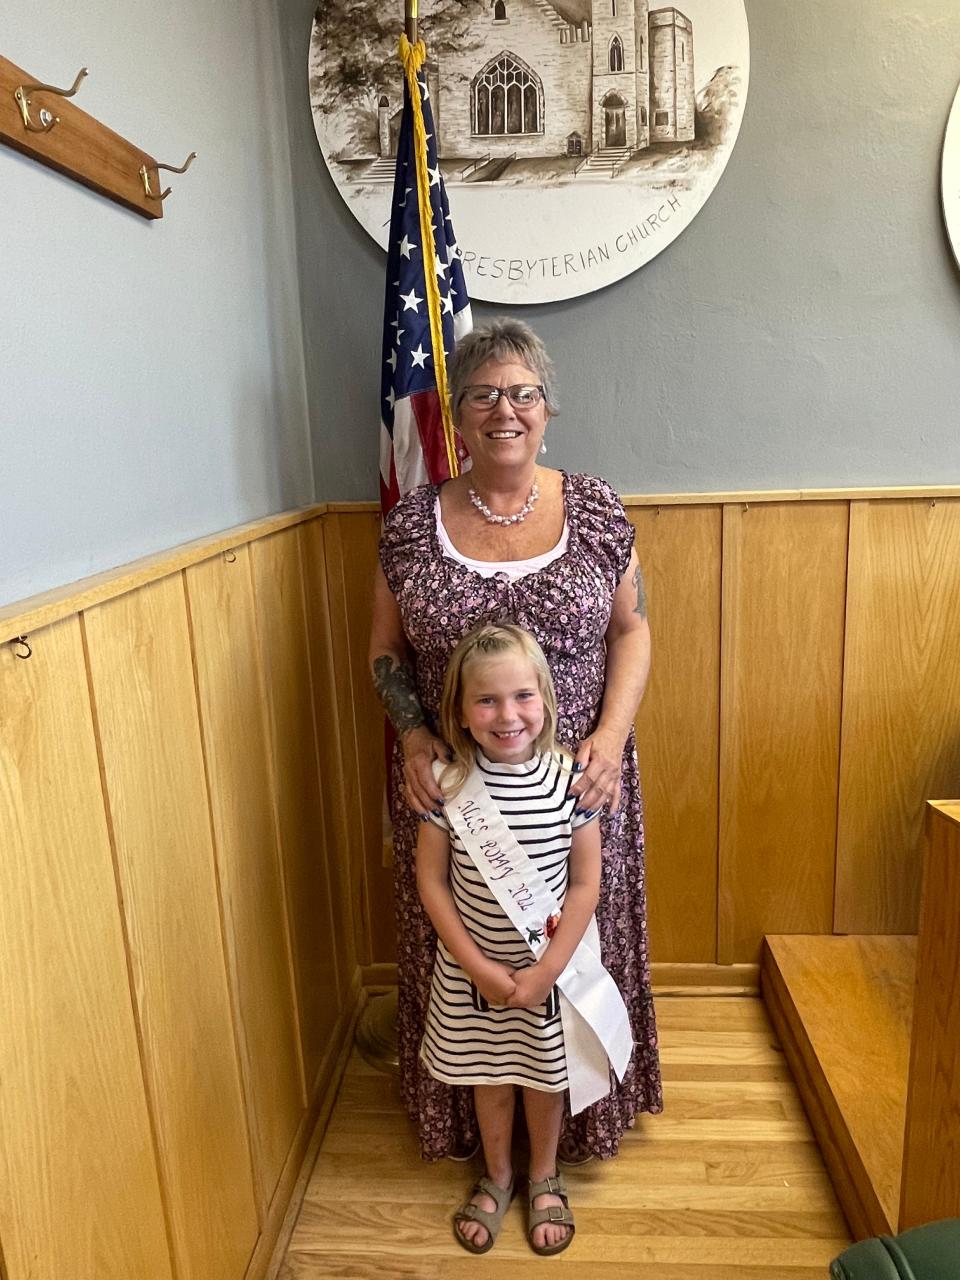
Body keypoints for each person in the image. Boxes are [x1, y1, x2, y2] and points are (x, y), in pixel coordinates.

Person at [370, 316, 662, 1164]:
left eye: (524, 393)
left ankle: (574, 1133)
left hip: (578, 786)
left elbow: (631, 633)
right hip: (453, 792)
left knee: (574, 939)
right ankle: (477, 1141)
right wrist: (416, 735)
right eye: (485, 394)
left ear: (547, 410)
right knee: (470, 955)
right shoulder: (409, 524)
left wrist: (609, 737)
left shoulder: (599, 509)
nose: (507, 409)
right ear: (456, 416)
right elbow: (386, 651)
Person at [417, 623, 629, 1255]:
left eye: (521, 696)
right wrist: (479, 967)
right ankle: (498, 1174)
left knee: (542, 1077)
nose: (506, 714)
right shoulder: (447, 787)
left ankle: (543, 1173)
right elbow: (431, 885)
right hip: (472, 977)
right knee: (489, 1076)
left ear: (546, 698)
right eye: (486, 700)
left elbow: (586, 886)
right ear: (459, 709)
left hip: (550, 974)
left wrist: (545, 973)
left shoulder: (572, 783)